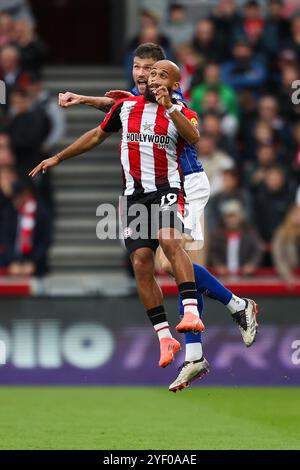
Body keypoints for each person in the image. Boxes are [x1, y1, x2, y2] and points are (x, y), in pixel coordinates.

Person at [58, 43, 259, 391]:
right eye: (139, 68)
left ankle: (234, 308)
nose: (143, 75)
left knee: (172, 255)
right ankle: (197, 349)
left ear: (164, 72)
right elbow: (122, 106)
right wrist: (86, 99)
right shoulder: (141, 96)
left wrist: (98, 100)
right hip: (157, 186)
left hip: (186, 180)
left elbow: (174, 119)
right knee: (165, 262)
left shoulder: (171, 97)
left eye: (150, 69)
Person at [30, 60, 211, 383]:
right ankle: (164, 336)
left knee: (170, 242)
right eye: (150, 73)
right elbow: (96, 136)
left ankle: (192, 312)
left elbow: (193, 137)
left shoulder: (180, 111)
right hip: (134, 197)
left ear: (173, 85)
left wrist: (170, 108)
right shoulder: (125, 108)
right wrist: (58, 157)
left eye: (161, 75)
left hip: (167, 190)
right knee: (141, 262)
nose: (152, 78)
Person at [0, 178, 52, 276]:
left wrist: (32, 261)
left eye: (18, 196)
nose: (15, 200)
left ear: (26, 194)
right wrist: (12, 261)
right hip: (12, 265)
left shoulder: (40, 212)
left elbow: (45, 240)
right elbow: (5, 238)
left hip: (36, 266)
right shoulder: (10, 211)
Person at [209, 199, 263, 276]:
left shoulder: (250, 233)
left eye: (234, 216)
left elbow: (257, 250)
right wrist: (218, 265)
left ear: (241, 216)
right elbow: (213, 252)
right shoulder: (217, 235)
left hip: (246, 276)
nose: (231, 220)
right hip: (223, 277)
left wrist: (252, 265)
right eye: (228, 217)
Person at [272, 204, 300, 286]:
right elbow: (278, 256)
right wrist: (287, 275)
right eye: (295, 214)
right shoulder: (281, 232)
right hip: (288, 274)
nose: (298, 216)